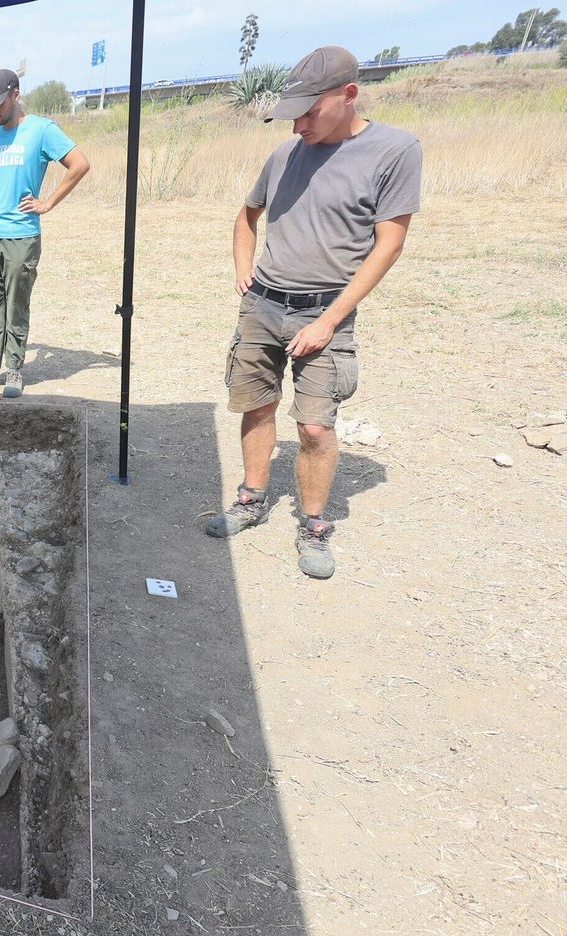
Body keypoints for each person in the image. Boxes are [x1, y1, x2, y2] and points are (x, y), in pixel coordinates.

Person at [205, 46, 420, 581]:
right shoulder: (284, 154)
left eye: (308, 112)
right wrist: (243, 269)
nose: (298, 125)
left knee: (315, 429)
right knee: (256, 406)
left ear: (348, 95)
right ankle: (252, 499)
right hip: (264, 305)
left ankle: (314, 524)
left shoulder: (395, 150)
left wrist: (329, 321)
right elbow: (246, 216)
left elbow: (387, 246)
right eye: (292, 114)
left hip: (326, 311)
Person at [0, 69, 90, 398]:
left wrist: (48, 202)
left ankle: (14, 369)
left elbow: (79, 164)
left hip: (21, 234)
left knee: (16, 304)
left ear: (16, 95)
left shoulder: (42, 130)